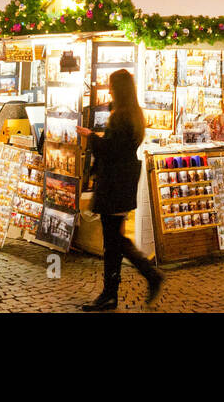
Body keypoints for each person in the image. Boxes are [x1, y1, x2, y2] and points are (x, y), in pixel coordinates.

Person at [75, 68, 164, 310]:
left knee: (114, 240)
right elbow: (120, 146)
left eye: (112, 86)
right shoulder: (133, 114)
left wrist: (90, 135)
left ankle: (139, 279)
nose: (109, 89)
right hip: (122, 184)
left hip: (114, 185)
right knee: (115, 239)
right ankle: (111, 292)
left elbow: (110, 150)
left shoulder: (121, 117)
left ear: (119, 89)